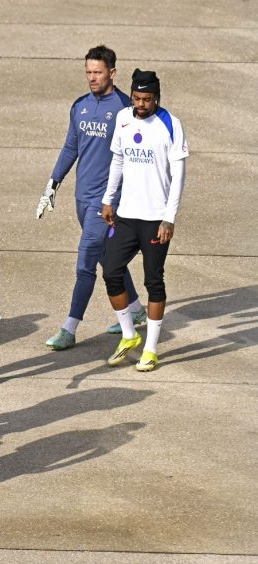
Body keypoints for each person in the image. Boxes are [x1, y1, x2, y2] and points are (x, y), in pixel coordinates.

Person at [36, 45, 146, 350]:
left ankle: (69, 328)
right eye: (88, 72)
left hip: (106, 202)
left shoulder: (125, 109)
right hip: (81, 199)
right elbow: (71, 148)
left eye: (98, 72)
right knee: (105, 257)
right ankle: (136, 310)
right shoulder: (80, 106)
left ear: (112, 72)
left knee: (85, 263)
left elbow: (135, 156)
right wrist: (52, 184)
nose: (92, 78)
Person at [101, 69, 188, 372]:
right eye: (137, 98)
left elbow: (178, 176)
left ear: (156, 98)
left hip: (155, 219)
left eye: (146, 99)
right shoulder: (123, 119)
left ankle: (151, 348)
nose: (140, 104)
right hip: (126, 215)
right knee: (111, 270)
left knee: (154, 280)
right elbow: (118, 160)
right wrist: (109, 199)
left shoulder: (170, 125)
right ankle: (128, 335)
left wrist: (169, 218)